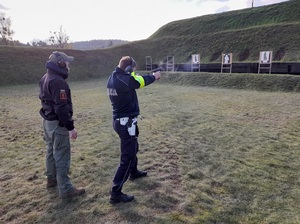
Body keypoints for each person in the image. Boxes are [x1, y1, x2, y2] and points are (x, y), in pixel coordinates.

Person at [106, 56, 161, 204]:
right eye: (132, 70)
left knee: (134, 147)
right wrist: (154, 77)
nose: (133, 73)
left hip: (123, 121)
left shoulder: (114, 77)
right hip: (125, 122)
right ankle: (115, 193)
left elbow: (133, 78)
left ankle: (134, 172)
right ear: (129, 69)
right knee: (127, 157)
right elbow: (137, 82)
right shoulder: (124, 80)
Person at [39, 51, 85, 199]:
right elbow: (61, 108)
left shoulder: (45, 78)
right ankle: (65, 189)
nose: (68, 64)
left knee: (51, 152)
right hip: (58, 124)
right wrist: (70, 127)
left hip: (47, 122)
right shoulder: (58, 82)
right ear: (60, 63)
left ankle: (51, 179)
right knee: (61, 154)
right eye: (66, 62)